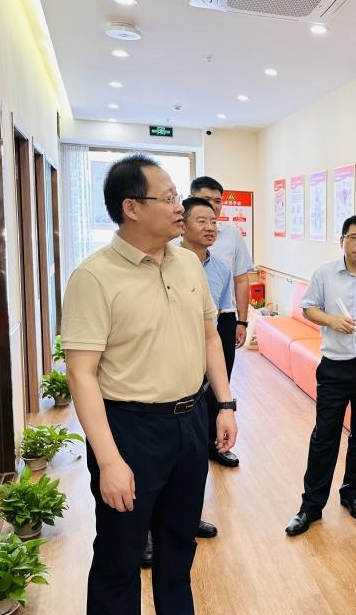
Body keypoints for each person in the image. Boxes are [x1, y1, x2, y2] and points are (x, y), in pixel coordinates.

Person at [61, 155, 238, 615]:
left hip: (190, 421)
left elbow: (209, 338)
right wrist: (109, 460)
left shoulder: (188, 265)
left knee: (178, 547)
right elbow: (81, 374)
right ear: (132, 207)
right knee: (120, 554)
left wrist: (225, 404)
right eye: (169, 197)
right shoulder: (94, 277)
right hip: (130, 429)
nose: (181, 207)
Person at [284, 214, 356, 536]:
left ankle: (352, 493)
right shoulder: (324, 274)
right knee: (324, 436)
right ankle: (310, 506)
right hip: (335, 367)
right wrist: (332, 320)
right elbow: (309, 307)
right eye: (354, 237)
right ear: (343, 240)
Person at [140, 197, 232, 567]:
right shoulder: (143, 267)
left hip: (196, 383)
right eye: (201, 220)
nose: (210, 227)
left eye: (214, 221)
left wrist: (226, 403)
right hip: (150, 395)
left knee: (191, 466)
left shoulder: (208, 267)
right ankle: (147, 533)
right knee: (149, 475)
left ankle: (186, 518)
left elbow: (212, 331)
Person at [189, 176, 254, 468]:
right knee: (190, 383)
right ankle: (192, 445)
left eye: (218, 202)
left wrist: (242, 321)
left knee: (219, 380)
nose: (213, 208)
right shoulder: (174, 239)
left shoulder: (231, 235)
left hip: (222, 318)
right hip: (186, 323)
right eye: (206, 200)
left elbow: (241, 280)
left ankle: (216, 444)